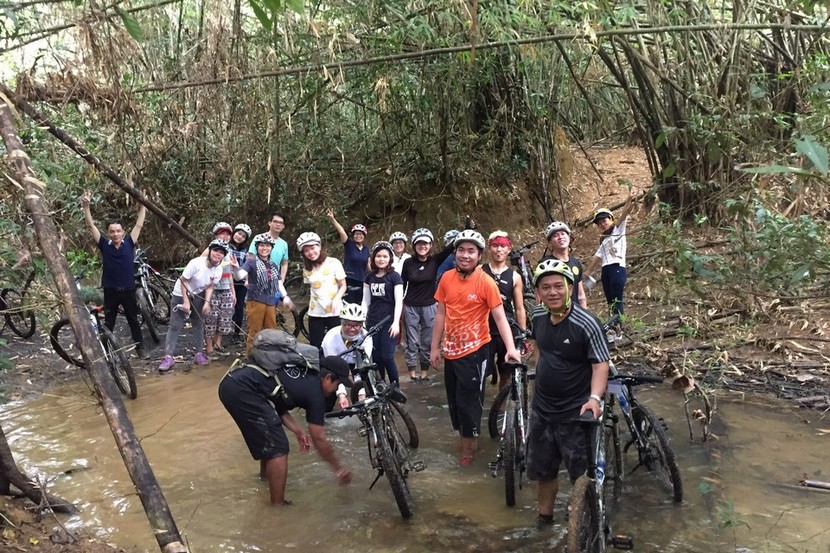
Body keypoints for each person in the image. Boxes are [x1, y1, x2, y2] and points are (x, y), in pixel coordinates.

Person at [218, 329, 353, 505]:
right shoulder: (316, 394)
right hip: (242, 390)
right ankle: (277, 507)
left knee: (270, 437)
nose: (336, 390)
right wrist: (338, 468)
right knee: (278, 447)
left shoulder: (304, 377)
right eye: (338, 384)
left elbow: (279, 409)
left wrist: (297, 430)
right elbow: (319, 437)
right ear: (328, 377)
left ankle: (265, 481)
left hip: (232, 383)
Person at [525, 259, 610, 527]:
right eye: (546, 287)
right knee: (544, 471)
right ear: (538, 292)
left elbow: (600, 364)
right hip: (543, 409)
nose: (552, 292)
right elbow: (539, 346)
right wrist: (537, 374)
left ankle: (588, 523)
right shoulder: (538, 316)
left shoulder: (586, 323)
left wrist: (594, 399)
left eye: (558, 286)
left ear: (570, 288)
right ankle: (545, 518)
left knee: (582, 476)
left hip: (576, 411)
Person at [430, 230, 521, 466]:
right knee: (454, 401)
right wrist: (434, 348)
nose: (465, 255)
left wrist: (511, 348)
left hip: (475, 351)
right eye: (461, 250)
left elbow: (500, 317)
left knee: (469, 401)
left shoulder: (486, 282)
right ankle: (465, 437)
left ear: (479, 255)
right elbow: (440, 313)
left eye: (471, 251)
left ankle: (469, 449)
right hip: (451, 350)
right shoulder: (447, 278)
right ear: (455, 253)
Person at [81, 190, 148, 359]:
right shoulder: (104, 245)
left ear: (123, 232)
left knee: (133, 319)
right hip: (110, 289)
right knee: (109, 321)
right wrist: (86, 207)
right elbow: (91, 226)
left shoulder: (129, 243)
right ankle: (106, 351)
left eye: (118, 231)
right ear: (108, 233)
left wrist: (143, 205)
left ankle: (140, 348)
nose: (116, 234)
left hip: (128, 289)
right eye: (112, 231)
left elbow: (139, 225)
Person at [158, 239, 227, 373]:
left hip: (197, 293)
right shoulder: (196, 263)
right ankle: (168, 356)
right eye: (215, 250)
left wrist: (207, 303)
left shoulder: (218, 269)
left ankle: (199, 354)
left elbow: (210, 286)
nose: (217, 254)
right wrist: (185, 302)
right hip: (181, 292)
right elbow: (184, 281)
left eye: (221, 252)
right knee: (175, 325)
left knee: (198, 323)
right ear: (210, 251)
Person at [400, 228, 453, 382]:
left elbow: (450, 247)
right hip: (410, 305)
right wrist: (398, 304)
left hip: (430, 305)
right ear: (414, 245)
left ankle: (424, 372)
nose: (422, 246)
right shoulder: (408, 263)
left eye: (426, 243)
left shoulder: (435, 261)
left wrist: (467, 229)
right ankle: (411, 371)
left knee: (427, 340)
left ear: (430, 245)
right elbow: (402, 284)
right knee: (412, 340)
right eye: (419, 243)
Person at [233, 234, 294, 355]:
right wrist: (235, 268)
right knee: (254, 330)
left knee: (271, 329)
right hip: (255, 300)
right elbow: (239, 276)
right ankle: (250, 356)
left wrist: (285, 296)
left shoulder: (273, 265)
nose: (264, 248)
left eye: (267, 245)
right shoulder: (251, 263)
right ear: (257, 247)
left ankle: (269, 355)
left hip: (271, 301)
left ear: (271, 248)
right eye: (261, 245)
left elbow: (278, 281)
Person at [481, 231, 526, 391]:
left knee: (506, 371)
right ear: (489, 248)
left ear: (508, 249)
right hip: (483, 328)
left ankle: (500, 410)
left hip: (506, 328)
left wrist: (522, 335)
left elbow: (519, 308)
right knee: (480, 371)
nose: (499, 250)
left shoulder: (514, 276)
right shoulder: (480, 270)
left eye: (502, 246)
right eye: (495, 246)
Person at [585, 195, 635, 317]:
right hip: (605, 270)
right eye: (599, 223)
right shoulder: (603, 239)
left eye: (604, 221)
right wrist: (587, 272)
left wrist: (629, 199)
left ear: (611, 219)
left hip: (617, 267)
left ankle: (619, 327)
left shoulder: (618, 230)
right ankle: (613, 327)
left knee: (617, 300)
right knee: (610, 302)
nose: (602, 224)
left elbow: (624, 213)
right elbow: (597, 256)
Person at [361, 241, 403, 385]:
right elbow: (365, 301)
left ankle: (395, 385)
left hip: (389, 322)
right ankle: (381, 384)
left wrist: (396, 322)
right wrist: (362, 320)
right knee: (377, 357)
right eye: (378, 256)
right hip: (372, 321)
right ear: (373, 258)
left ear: (390, 258)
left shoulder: (395, 277)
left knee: (387, 356)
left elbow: (399, 301)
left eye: (385, 256)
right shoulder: (369, 277)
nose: (381, 259)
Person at [297, 231, 347, 348]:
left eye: (313, 248)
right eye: (306, 250)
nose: (310, 252)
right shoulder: (306, 269)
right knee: (316, 347)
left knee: (337, 346)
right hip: (315, 313)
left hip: (334, 312)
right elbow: (312, 288)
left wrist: (336, 299)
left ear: (319, 246)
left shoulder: (334, 262)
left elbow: (343, 285)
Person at [321, 303, 374, 408]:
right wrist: (341, 395)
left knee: (368, 392)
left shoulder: (366, 337)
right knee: (327, 396)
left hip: (355, 362)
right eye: (348, 325)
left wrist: (361, 393)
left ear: (362, 325)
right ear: (342, 323)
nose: (352, 329)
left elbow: (361, 369)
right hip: (333, 363)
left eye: (356, 325)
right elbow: (334, 371)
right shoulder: (331, 338)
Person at [203, 222, 236, 358]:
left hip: (226, 288)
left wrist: (233, 291)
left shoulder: (229, 251)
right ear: (216, 234)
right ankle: (209, 349)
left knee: (224, 319)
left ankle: (218, 344)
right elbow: (200, 267)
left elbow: (230, 273)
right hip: (212, 290)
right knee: (211, 318)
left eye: (228, 234)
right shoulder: (210, 249)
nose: (225, 236)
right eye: (222, 233)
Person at [326, 208, 368, 304]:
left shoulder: (366, 249)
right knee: (347, 305)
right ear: (353, 236)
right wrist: (333, 219)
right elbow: (341, 232)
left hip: (361, 281)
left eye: (361, 234)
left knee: (359, 305)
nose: (358, 236)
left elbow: (368, 266)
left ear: (364, 236)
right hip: (348, 279)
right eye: (356, 234)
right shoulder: (349, 244)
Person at [542, 221, 587, 309]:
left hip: (575, 313)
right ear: (549, 242)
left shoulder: (575, 263)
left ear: (569, 237)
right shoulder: (546, 264)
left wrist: (585, 314)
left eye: (563, 234)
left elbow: (581, 295)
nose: (560, 237)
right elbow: (540, 295)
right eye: (555, 235)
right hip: (554, 314)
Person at [248, 212, 289, 281]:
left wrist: (282, 280)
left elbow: (284, 263)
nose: (278, 224)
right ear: (269, 223)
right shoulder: (258, 238)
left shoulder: (284, 244)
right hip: (257, 280)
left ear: (283, 226)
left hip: (274, 281)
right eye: (275, 221)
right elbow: (251, 258)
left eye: (281, 223)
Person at [229, 223, 252, 343]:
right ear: (234, 232)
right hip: (226, 280)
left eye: (243, 236)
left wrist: (248, 280)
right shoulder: (226, 246)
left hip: (240, 282)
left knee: (239, 307)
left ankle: (236, 332)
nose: (240, 237)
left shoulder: (245, 251)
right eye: (239, 233)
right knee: (226, 304)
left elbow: (247, 267)